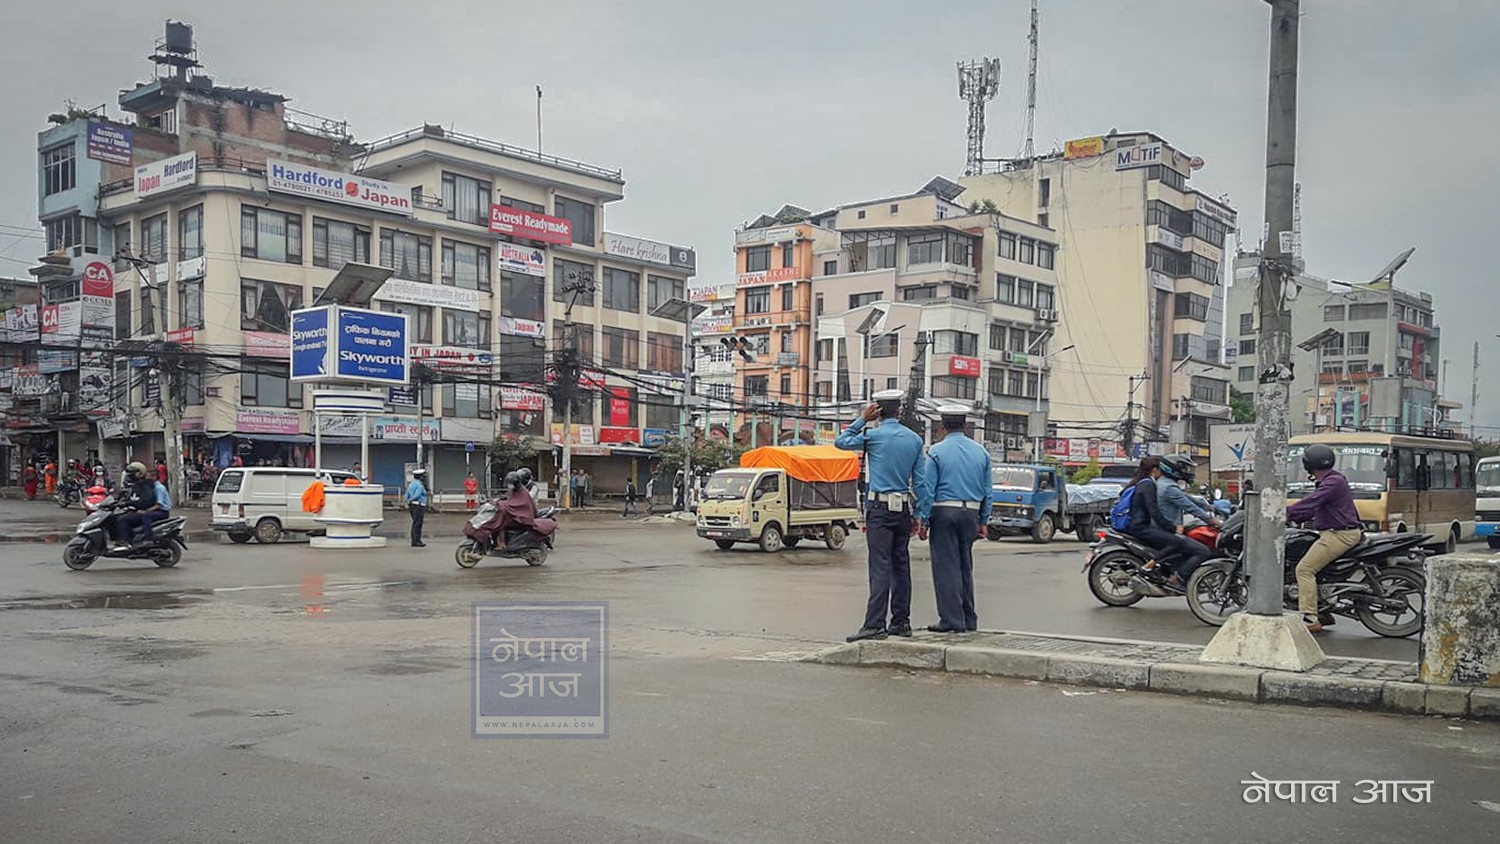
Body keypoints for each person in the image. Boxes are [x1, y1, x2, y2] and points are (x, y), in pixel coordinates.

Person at [836, 389, 928, 642]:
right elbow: (920, 482)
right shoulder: (914, 440)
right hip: (903, 509)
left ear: (877, 411)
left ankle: (875, 624)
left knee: (880, 567)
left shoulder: (873, 436)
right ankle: (901, 622)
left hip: (879, 509)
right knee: (901, 566)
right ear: (898, 411)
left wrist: (862, 420)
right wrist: (921, 514)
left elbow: (841, 442)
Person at [916, 405, 992, 633]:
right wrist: (984, 520)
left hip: (944, 513)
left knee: (946, 568)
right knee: (964, 567)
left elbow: (928, 489)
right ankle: (969, 620)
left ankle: (951, 621)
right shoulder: (982, 452)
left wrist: (924, 520)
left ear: (942, 426)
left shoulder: (936, 452)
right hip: (971, 513)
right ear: (966, 426)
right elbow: (988, 491)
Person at [1286, 444, 1363, 633]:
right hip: (1339, 532)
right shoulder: (1332, 480)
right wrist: (1296, 517)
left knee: (1304, 570)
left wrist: (1284, 512)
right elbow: (1315, 508)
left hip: (1339, 535)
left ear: (1308, 464)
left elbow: (1312, 501)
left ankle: (1310, 617)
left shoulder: (1332, 482)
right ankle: (1323, 611)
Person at [1121, 456, 1213, 586]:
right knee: (1180, 542)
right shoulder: (1150, 484)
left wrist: (1210, 507)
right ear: (1155, 469)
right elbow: (1155, 511)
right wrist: (1172, 528)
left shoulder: (1145, 482)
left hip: (1140, 525)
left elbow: (1189, 500)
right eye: (1159, 468)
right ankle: (1152, 568)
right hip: (1141, 527)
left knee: (1179, 542)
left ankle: (1168, 569)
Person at [1153, 454, 1220, 579]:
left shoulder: (1165, 484)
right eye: (1184, 468)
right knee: (1203, 551)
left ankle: (1173, 571)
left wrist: (1208, 507)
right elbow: (1190, 507)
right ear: (1172, 468)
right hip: (1167, 530)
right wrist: (1210, 520)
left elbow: (1187, 498)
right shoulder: (1169, 488)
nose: (1187, 472)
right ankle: (1178, 577)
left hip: (1163, 528)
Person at [112, 461, 171, 551]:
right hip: (149, 510)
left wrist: (144, 510)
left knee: (135, 517)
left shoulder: (153, 487)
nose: (147, 478)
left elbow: (155, 503)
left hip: (160, 511)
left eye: (149, 476)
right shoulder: (138, 485)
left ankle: (141, 540)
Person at [405, 468, 430, 547]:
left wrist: (408, 500)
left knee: (415, 523)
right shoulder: (419, 485)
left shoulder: (411, 484)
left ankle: (415, 540)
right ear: (421, 477)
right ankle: (416, 541)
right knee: (418, 524)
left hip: (412, 505)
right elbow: (417, 495)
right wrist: (411, 499)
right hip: (418, 505)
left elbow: (406, 494)